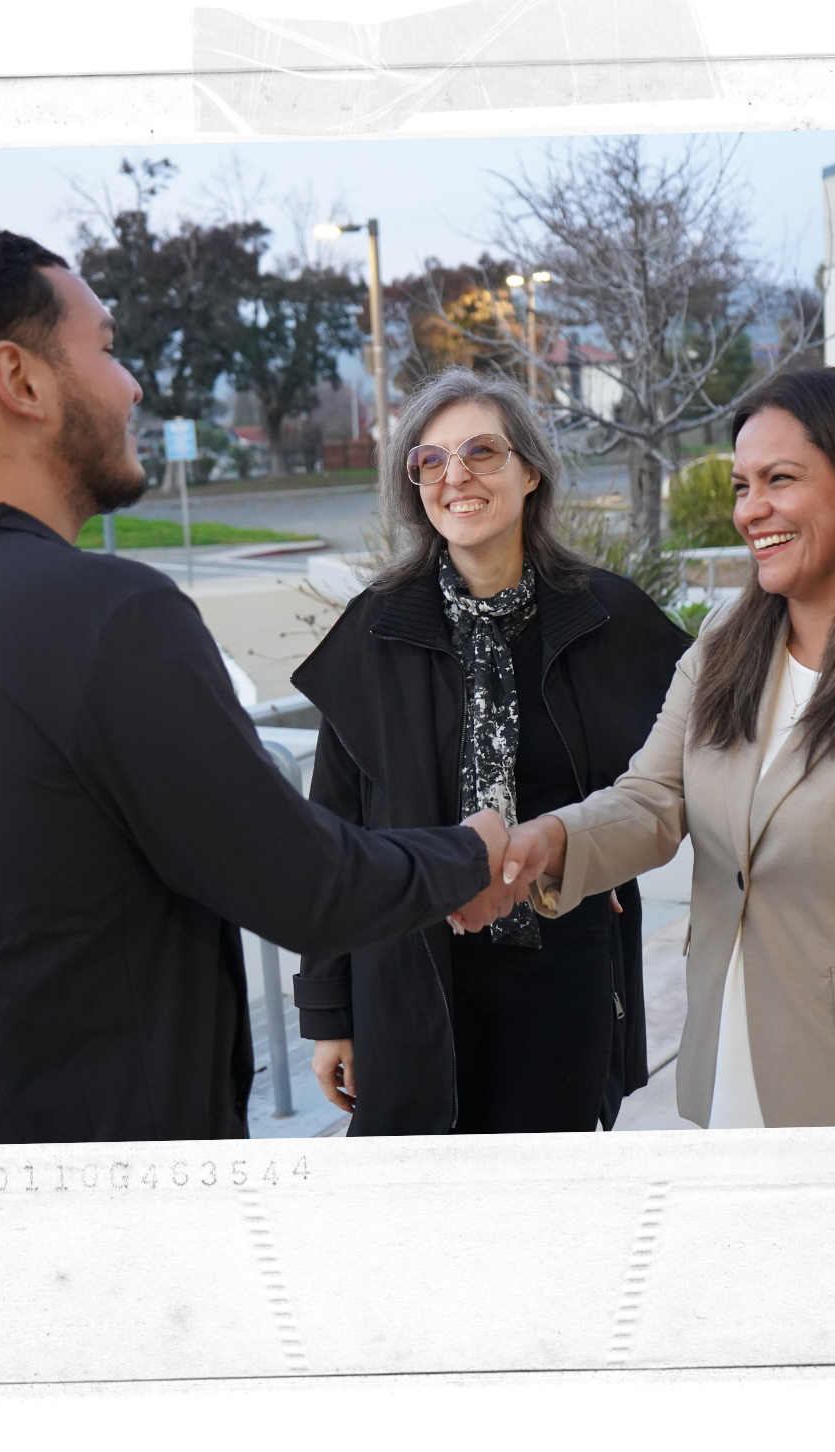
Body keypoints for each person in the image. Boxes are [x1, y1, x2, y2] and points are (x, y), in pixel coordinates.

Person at [0, 230, 523, 1146]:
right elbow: (304, 882)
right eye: (107, 345)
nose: (132, 385)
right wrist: (473, 852)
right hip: (117, 1191)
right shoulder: (108, 618)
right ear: (21, 380)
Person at [506, 366, 835, 1128]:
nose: (750, 511)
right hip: (725, 1061)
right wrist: (546, 842)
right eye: (740, 486)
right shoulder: (730, 636)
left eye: (779, 480)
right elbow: (655, 799)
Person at [291, 368, 692, 1135]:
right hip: (408, 982)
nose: (456, 476)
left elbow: (672, 782)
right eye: (431, 460)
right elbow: (332, 837)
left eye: (481, 451)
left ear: (529, 470)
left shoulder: (612, 618)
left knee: (546, 1216)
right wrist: (329, 1013)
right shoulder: (372, 631)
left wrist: (606, 855)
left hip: (563, 979)